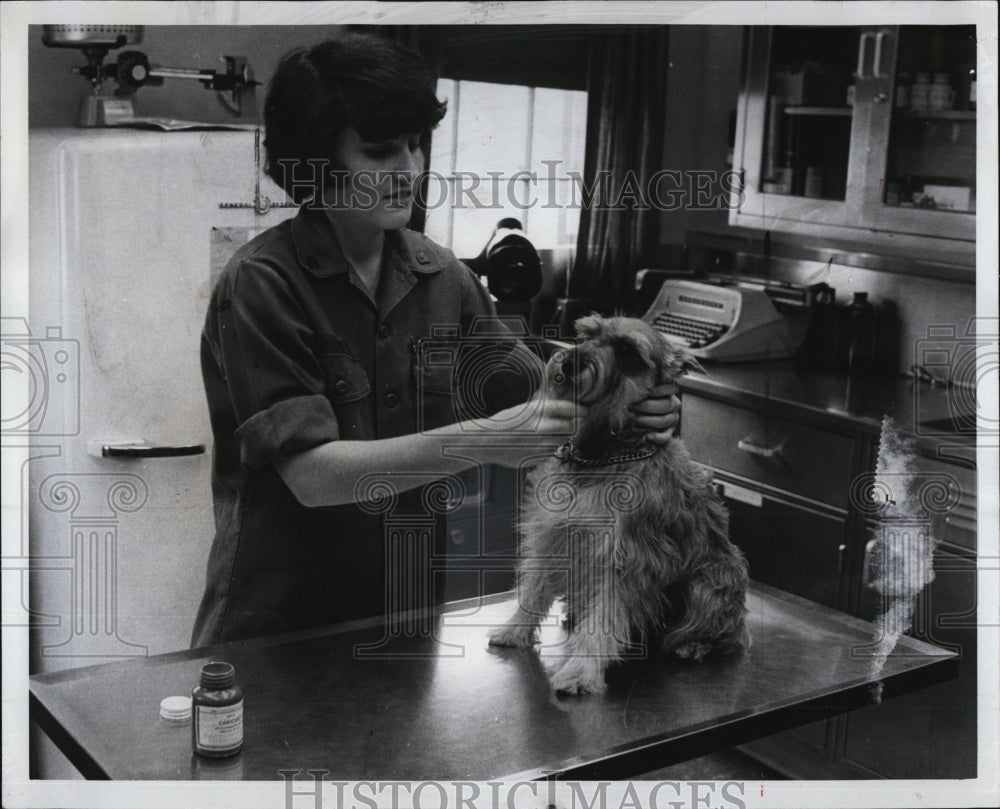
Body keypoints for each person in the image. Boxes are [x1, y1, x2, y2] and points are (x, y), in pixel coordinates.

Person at [190, 33, 680, 647]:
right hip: (280, 624)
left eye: (415, 145)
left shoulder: (444, 277)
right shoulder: (260, 284)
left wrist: (635, 399)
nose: (409, 171)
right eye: (378, 151)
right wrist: (482, 440)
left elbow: (551, 400)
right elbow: (313, 477)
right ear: (313, 162)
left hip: (406, 613)